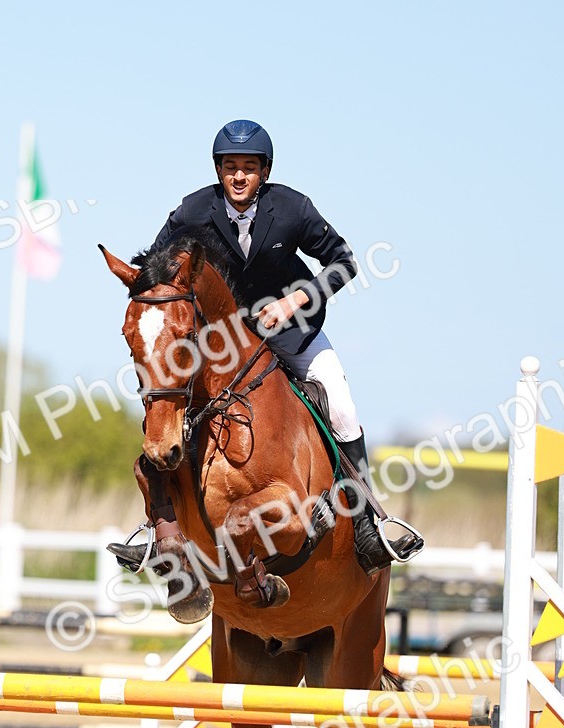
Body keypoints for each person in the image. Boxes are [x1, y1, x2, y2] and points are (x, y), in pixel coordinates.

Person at [121, 119, 423, 576]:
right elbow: (155, 267)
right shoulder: (193, 211)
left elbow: (344, 262)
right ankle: (156, 527)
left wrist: (294, 300)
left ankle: (366, 523)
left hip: (293, 332)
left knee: (341, 405)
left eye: (248, 167)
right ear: (219, 169)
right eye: (230, 167)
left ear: (264, 171)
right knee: (168, 411)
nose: (238, 176)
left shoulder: (292, 209)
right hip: (223, 346)